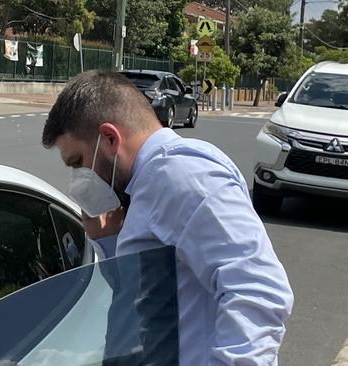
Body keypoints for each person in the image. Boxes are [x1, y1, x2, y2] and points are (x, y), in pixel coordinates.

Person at [41, 70, 294, 365]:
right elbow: (146, 300)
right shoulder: (142, 187)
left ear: (110, 138)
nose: (76, 178)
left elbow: (259, 291)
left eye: (78, 162)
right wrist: (108, 241)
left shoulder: (181, 174)